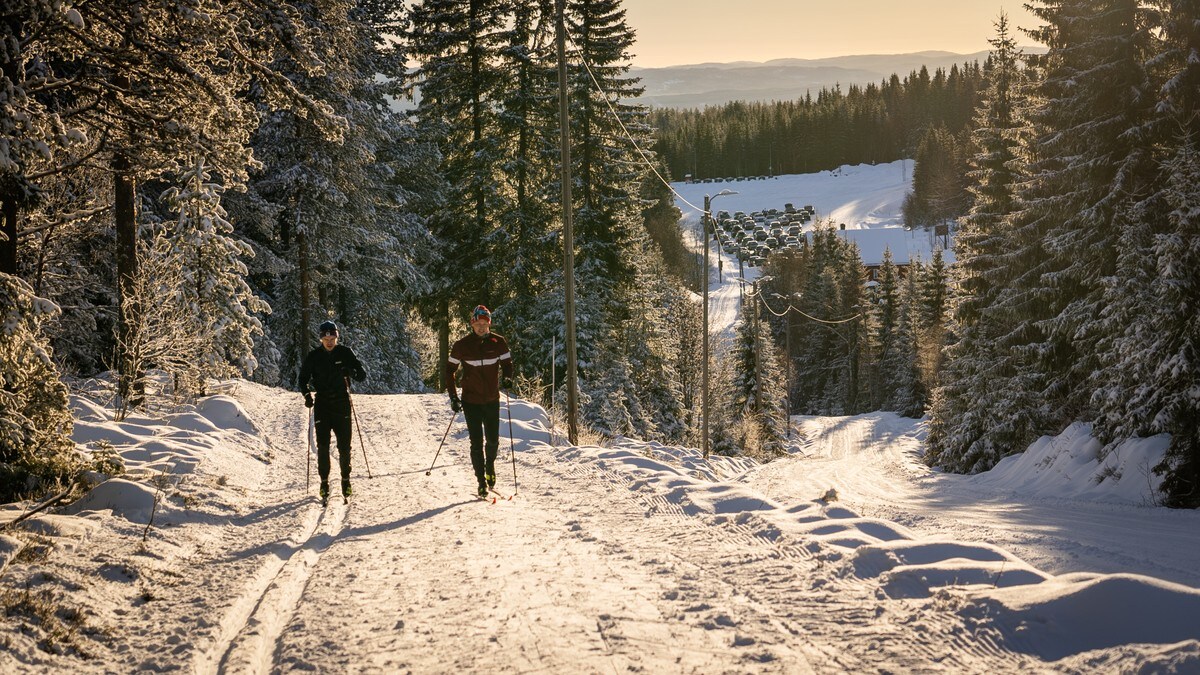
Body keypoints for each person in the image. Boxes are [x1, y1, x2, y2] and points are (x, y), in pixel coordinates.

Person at [445, 305, 513, 498]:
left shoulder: (498, 342)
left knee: (492, 440)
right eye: (478, 324)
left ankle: (490, 464)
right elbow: (449, 370)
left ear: (489, 324)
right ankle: (481, 482)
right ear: (472, 324)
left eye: (485, 324)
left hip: (492, 399)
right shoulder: (462, 345)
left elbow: (507, 363)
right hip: (470, 401)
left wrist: (508, 377)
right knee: (476, 442)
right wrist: (453, 396)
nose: (481, 327)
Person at [298, 320, 367, 503]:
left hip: (342, 404)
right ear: (320, 338)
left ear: (337, 337)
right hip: (322, 405)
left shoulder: (345, 353)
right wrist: (307, 396)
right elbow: (302, 379)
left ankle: (346, 480)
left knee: (344, 447)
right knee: (323, 447)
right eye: (325, 337)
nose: (329, 340)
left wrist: (349, 371)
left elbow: (362, 375)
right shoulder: (314, 356)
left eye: (332, 337)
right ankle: (324, 483)